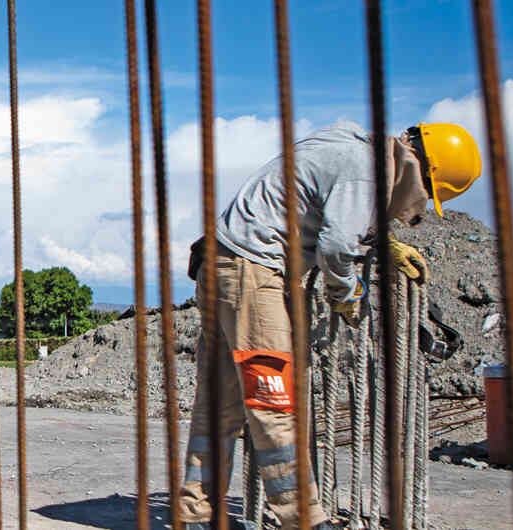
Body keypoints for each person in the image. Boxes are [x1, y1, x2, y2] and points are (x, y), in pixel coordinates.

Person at [181, 122, 481, 529]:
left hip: (220, 263)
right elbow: (337, 246)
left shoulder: (348, 141)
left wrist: (377, 240)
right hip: (252, 273)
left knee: (219, 406)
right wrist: (347, 296)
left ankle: (196, 514)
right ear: (421, 172)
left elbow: (320, 203)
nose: (421, 203)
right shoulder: (367, 168)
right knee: (273, 400)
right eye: (428, 194)